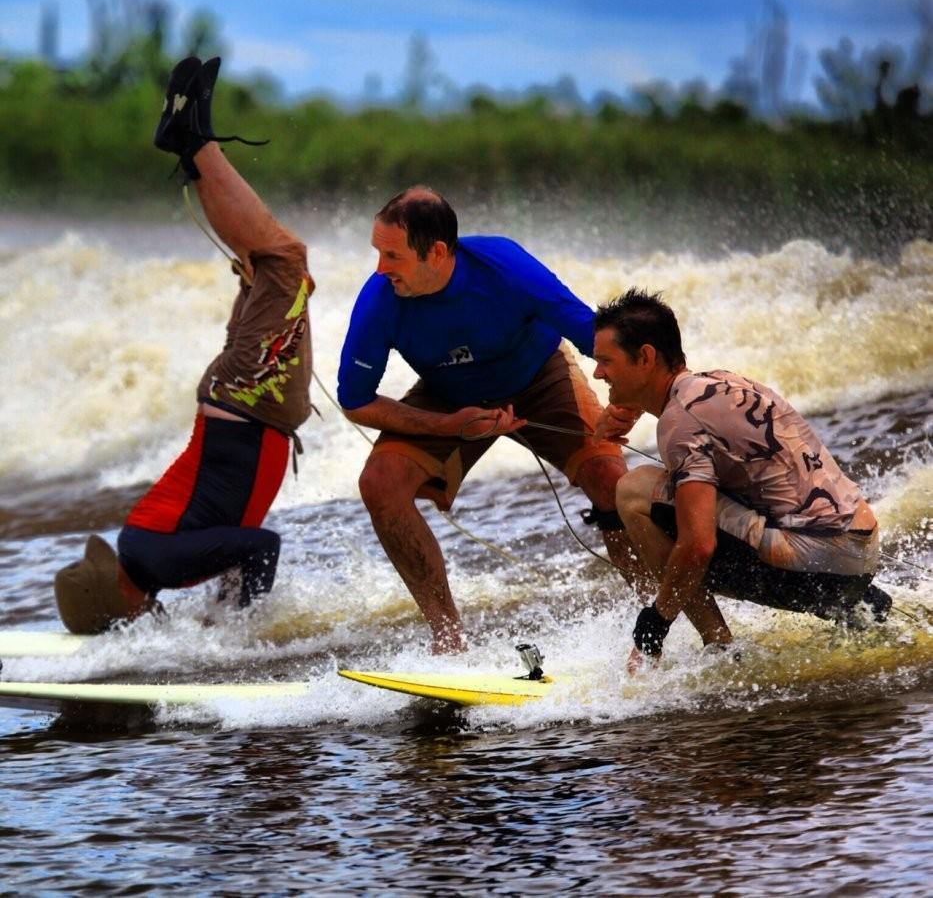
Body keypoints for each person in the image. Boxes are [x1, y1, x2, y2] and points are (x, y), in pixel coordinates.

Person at [54, 55, 314, 634]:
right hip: (239, 398)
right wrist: (222, 615)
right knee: (265, 261)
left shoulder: (156, 563)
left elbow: (261, 545)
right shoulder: (150, 556)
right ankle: (192, 143)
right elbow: (235, 541)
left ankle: (195, 143)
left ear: (122, 604)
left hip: (247, 395)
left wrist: (242, 636)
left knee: (284, 261)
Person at [337, 188, 637, 653]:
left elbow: (598, 338)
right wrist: (447, 426)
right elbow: (355, 400)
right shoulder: (381, 299)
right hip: (449, 395)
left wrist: (626, 404)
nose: (380, 268)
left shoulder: (505, 266)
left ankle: (653, 617)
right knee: (380, 483)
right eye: (378, 252)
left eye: (392, 255)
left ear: (437, 252)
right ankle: (448, 639)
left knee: (612, 482)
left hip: (539, 375)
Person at [590, 288, 890, 672]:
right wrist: (627, 408)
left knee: (634, 491)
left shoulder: (680, 424)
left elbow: (699, 545)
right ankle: (851, 602)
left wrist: (655, 624)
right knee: (689, 490)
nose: (598, 373)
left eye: (606, 361)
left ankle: (720, 648)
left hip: (817, 569)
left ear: (645, 357)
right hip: (860, 554)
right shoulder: (720, 382)